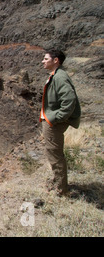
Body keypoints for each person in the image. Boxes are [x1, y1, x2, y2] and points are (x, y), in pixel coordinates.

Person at [40, 49, 81, 196]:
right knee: (53, 152)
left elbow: (69, 100)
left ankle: (61, 189)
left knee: (54, 154)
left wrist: (56, 118)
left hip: (53, 121)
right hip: (51, 118)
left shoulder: (60, 77)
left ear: (55, 60)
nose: (43, 61)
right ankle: (58, 181)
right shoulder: (56, 75)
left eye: (46, 59)